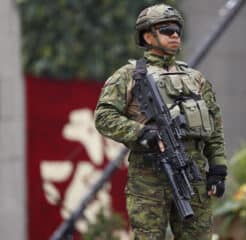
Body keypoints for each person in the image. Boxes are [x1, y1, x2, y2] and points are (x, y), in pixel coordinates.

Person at [94, 4, 227, 240]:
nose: (175, 34)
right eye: (167, 30)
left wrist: (217, 167)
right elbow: (104, 116)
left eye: (177, 30)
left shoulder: (195, 78)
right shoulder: (128, 76)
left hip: (193, 173)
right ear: (148, 36)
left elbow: (214, 125)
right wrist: (141, 133)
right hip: (149, 176)